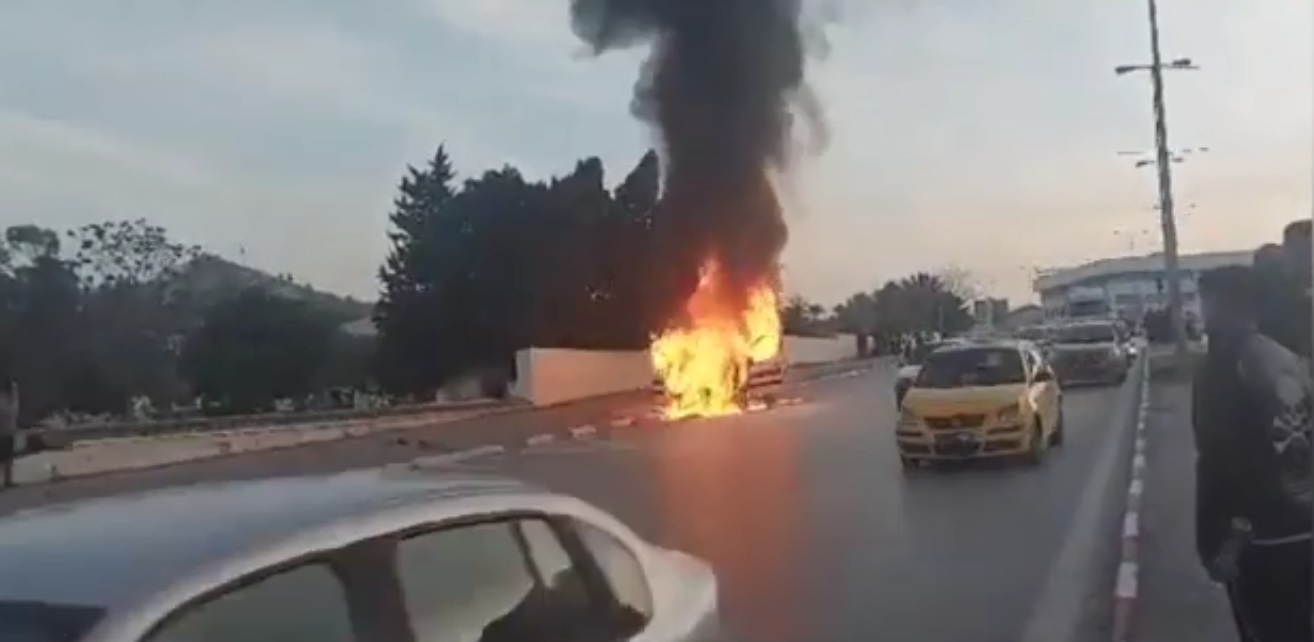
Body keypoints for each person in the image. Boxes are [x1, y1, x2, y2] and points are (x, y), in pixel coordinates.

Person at [1193, 265, 1313, 641]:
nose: (1202, 314)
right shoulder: (1289, 361)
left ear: (1221, 306)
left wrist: (1221, 544)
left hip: (1257, 543)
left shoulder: (1222, 367)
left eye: (1205, 303)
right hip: (1305, 528)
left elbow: (1219, 458)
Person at [0, 377, 17, 489]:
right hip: (2, 432)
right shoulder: (3, 400)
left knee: (8, 458)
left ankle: (8, 481)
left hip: (9, 431)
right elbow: (9, 412)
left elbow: (14, 412)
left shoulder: (11, 398)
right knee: (2, 458)